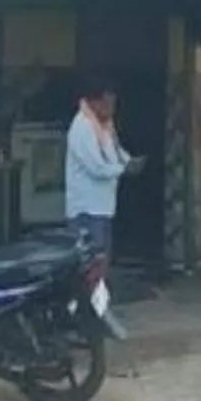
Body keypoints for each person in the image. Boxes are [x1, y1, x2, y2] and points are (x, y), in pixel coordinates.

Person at [63, 75, 138, 268]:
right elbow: (97, 167)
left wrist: (130, 161)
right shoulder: (82, 127)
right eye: (108, 103)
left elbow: (115, 152)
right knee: (90, 267)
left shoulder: (104, 124)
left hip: (102, 207)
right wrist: (123, 169)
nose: (112, 108)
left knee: (101, 261)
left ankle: (98, 297)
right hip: (86, 210)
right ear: (94, 102)